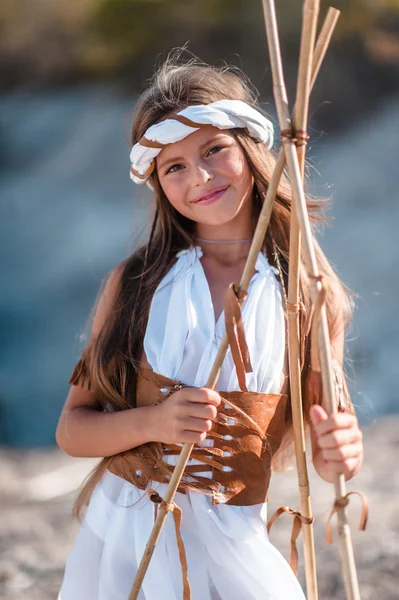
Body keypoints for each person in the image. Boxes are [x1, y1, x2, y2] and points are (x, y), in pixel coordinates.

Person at [56, 55, 364, 600]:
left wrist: (342, 448)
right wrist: (154, 421)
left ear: (251, 148)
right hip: (130, 538)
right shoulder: (135, 284)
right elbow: (73, 431)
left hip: (238, 542)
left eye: (213, 150)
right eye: (173, 166)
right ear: (156, 182)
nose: (198, 177)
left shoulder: (310, 291)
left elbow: (327, 447)